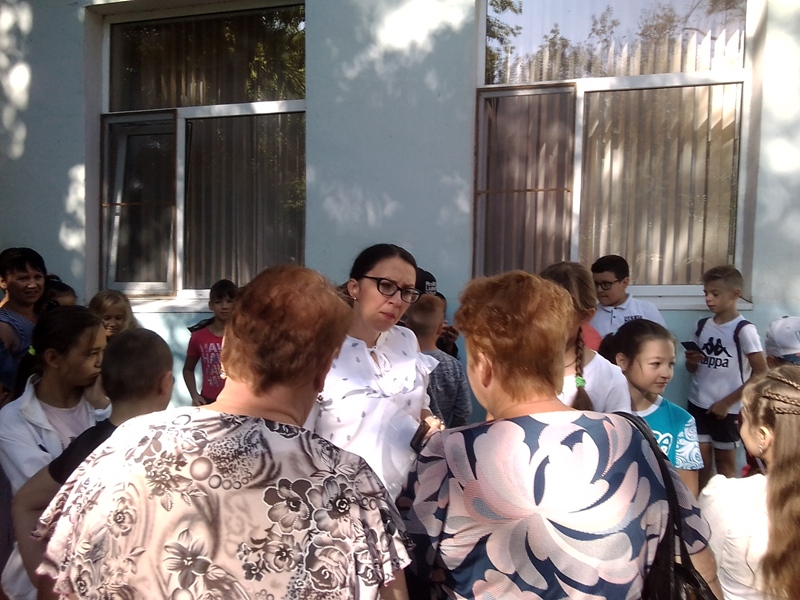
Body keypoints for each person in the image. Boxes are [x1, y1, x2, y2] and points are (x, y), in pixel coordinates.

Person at [35, 265, 411, 599]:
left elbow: (55, 578)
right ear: (324, 370)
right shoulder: (349, 482)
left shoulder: (126, 445)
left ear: (227, 348)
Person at [398, 270, 721, 599]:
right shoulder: (633, 438)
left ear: (484, 366)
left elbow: (405, 569)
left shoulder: (447, 454)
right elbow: (697, 558)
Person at [12, 328, 173, 590]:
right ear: (166, 383)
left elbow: (25, 502)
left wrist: (45, 581)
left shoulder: (86, 445)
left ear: (104, 385)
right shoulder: (178, 446)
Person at [304, 244, 440, 499]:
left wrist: (430, 425)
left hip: (408, 497)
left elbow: (421, 406)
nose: (397, 300)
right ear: (354, 287)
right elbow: (300, 437)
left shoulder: (407, 340)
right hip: (341, 500)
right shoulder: (321, 348)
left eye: (407, 291)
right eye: (386, 286)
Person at [0, 306, 108, 600]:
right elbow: (52, 497)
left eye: (104, 351)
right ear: (53, 359)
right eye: (91, 353)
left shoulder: (103, 406)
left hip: (100, 566)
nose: (101, 363)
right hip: (39, 573)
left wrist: (102, 410)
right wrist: (105, 421)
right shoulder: (13, 421)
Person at [699, 365, 800, 599]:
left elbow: (703, 572)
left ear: (763, 436)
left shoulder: (727, 498)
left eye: (744, 417)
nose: (739, 424)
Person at [599, 319, 704, 495]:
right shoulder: (598, 413)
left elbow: (688, 495)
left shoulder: (681, 421)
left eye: (671, 364)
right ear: (622, 361)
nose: (666, 373)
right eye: (656, 364)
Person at [685, 265, 767, 489]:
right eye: (706, 293)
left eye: (715, 293)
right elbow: (692, 369)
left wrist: (727, 403)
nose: (709, 299)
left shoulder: (744, 330)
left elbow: (761, 373)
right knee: (700, 464)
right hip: (698, 404)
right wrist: (692, 362)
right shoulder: (702, 326)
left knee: (725, 466)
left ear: (735, 294)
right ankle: (700, 507)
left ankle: (726, 507)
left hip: (728, 410)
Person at [540, 261, 630, 412]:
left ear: (586, 316)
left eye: (560, 314)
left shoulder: (609, 377)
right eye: (540, 311)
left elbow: (620, 426)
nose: (547, 321)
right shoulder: (516, 368)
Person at [404, 294, 471, 428]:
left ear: (406, 326)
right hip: (444, 433)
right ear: (441, 328)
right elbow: (464, 409)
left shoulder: (403, 363)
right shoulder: (454, 365)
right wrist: (450, 432)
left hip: (411, 433)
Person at [0, 248, 46, 403]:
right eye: (23, 278)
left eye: (38, 277)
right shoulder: (4, 325)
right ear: (3, 282)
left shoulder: (41, 316)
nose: (32, 285)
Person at [182, 279, 237, 405]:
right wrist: (194, 395)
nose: (224, 306)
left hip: (236, 403)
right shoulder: (199, 337)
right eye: (218, 302)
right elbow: (188, 370)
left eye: (229, 301)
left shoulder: (243, 336)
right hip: (208, 401)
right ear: (211, 305)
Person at [589, 254, 666, 337]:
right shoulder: (590, 314)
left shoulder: (646, 309)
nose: (599, 290)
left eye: (606, 284)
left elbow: (663, 340)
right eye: (596, 284)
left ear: (624, 283)